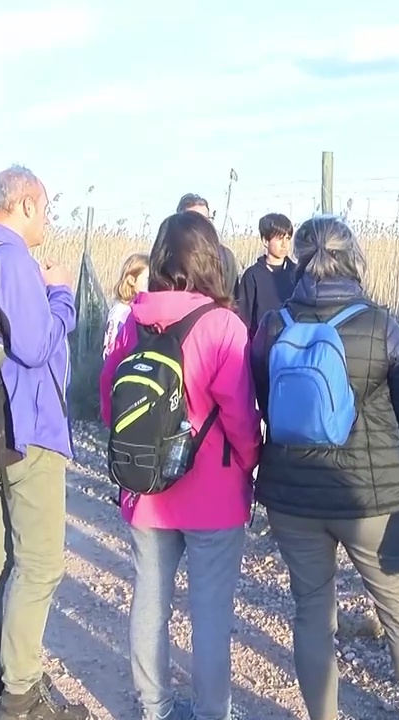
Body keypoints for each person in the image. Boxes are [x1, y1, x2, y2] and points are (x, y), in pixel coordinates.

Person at [249, 216, 399, 720]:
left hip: (292, 495)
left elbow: (266, 405)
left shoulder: (272, 326)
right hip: (370, 498)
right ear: (352, 257)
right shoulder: (382, 326)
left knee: (312, 612)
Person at [100, 212, 262, 720]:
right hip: (213, 493)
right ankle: (214, 711)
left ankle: (156, 708)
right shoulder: (223, 325)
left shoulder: (135, 320)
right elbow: (240, 416)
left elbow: (109, 402)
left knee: (150, 601)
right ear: (210, 260)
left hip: (146, 489)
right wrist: (251, 464)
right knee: (210, 613)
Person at [0, 165, 93, 719]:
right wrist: (61, 295)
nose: (49, 219)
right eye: (48, 208)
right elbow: (35, 348)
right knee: (39, 563)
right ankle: (23, 693)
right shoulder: (12, 259)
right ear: (27, 204)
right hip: (23, 428)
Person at [234, 212, 297, 339]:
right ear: (265, 241)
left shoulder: (296, 273)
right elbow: (244, 320)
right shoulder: (252, 276)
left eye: (288, 238)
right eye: (279, 238)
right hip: (262, 349)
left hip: (293, 346)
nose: (285, 244)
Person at [177, 193, 239, 292]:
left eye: (206, 219)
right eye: (195, 220)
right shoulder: (170, 256)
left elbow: (232, 298)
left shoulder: (224, 256)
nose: (203, 224)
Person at [102, 252, 149, 360]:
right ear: (131, 280)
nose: (150, 285)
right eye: (147, 280)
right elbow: (110, 351)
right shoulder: (120, 312)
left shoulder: (142, 310)